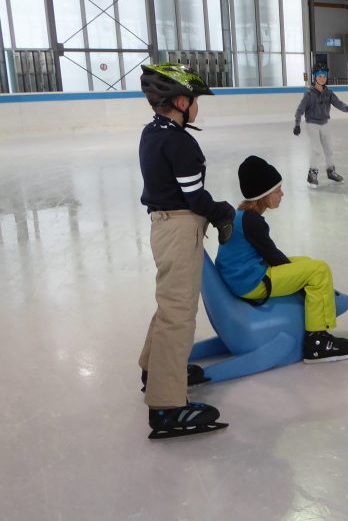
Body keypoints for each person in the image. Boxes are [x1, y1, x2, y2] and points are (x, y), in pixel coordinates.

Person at [137, 63, 235, 440]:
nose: (197, 108)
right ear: (180, 101)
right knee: (179, 314)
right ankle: (166, 407)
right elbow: (195, 197)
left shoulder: (153, 131)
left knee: (169, 305)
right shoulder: (179, 141)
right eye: (194, 101)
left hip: (164, 226)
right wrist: (221, 212)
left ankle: (158, 370)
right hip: (179, 228)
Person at [215, 155, 348, 363]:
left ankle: (315, 316)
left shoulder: (241, 215)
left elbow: (267, 254)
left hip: (242, 276)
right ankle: (316, 340)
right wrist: (300, 281)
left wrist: (299, 271)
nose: (282, 194)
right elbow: (273, 256)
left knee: (306, 262)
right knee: (319, 270)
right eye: (277, 191)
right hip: (251, 283)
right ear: (264, 194)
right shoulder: (253, 222)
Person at [293, 64, 348, 188]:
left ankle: (331, 171)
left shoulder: (328, 93)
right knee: (316, 150)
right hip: (312, 124)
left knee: (329, 149)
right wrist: (297, 124)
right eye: (320, 76)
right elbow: (300, 110)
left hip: (325, 123)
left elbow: (338, 103)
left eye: (324, 76)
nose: (322, 78)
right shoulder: (309, 94)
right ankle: (312, 174)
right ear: (315, 77)